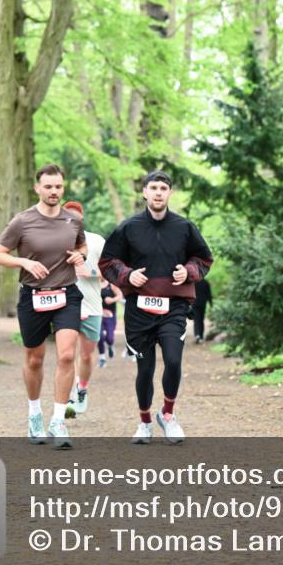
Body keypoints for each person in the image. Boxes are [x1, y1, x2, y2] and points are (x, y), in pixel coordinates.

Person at [99, 170, 214, 444]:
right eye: (154, 187)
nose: (159, 192)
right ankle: (145, 422)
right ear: (145, 192)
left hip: (174, 307)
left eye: (164, 188)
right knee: (145, 370)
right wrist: (127, 276)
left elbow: (204, 259)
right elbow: (107, 262)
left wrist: (188, 272)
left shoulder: (184, 227)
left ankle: (169, 415)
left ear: (170, 193)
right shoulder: (129, 227)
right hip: (139, 308)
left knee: (173, 360)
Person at [0, 164, 86, 449]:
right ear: (38, 188)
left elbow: (82, 247)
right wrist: (24, 262)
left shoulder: (73, 220)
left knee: (67, 355)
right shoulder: (22, 221)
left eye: (58, 186)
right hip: (32, 296)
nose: (54, 191)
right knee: (35, 358)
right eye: (48, 186)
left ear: (63, 188)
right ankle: (35, 414)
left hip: (67, 295)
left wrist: (79, 257)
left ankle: (58, 421)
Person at [61, 201, 105, 418]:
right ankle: (67, 396)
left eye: (75, 217)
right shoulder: (55, 241)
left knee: (86, 356)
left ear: (82, 217)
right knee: (66, 356)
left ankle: (82, 389)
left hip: (92, 305)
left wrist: (92, 273)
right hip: (65, 306)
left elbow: (111, 272)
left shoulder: (96, 241)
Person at [98, 277, 123, 368]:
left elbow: (120, 295)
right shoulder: (94, 284)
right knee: (100, 336)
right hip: (98, 314)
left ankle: (110, 346)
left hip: (110, 315)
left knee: (109, 338)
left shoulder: (111, 285)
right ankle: (102, 358)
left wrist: (112, 300)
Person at [192, 278, 212, 343]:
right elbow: (209, 293)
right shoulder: (205, 282)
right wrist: (211, 303)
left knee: (196, 319)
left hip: (194, 303)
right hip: (203, 303)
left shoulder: (193, 283)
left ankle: (197, 334)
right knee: (201, 319)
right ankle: (201, 336)